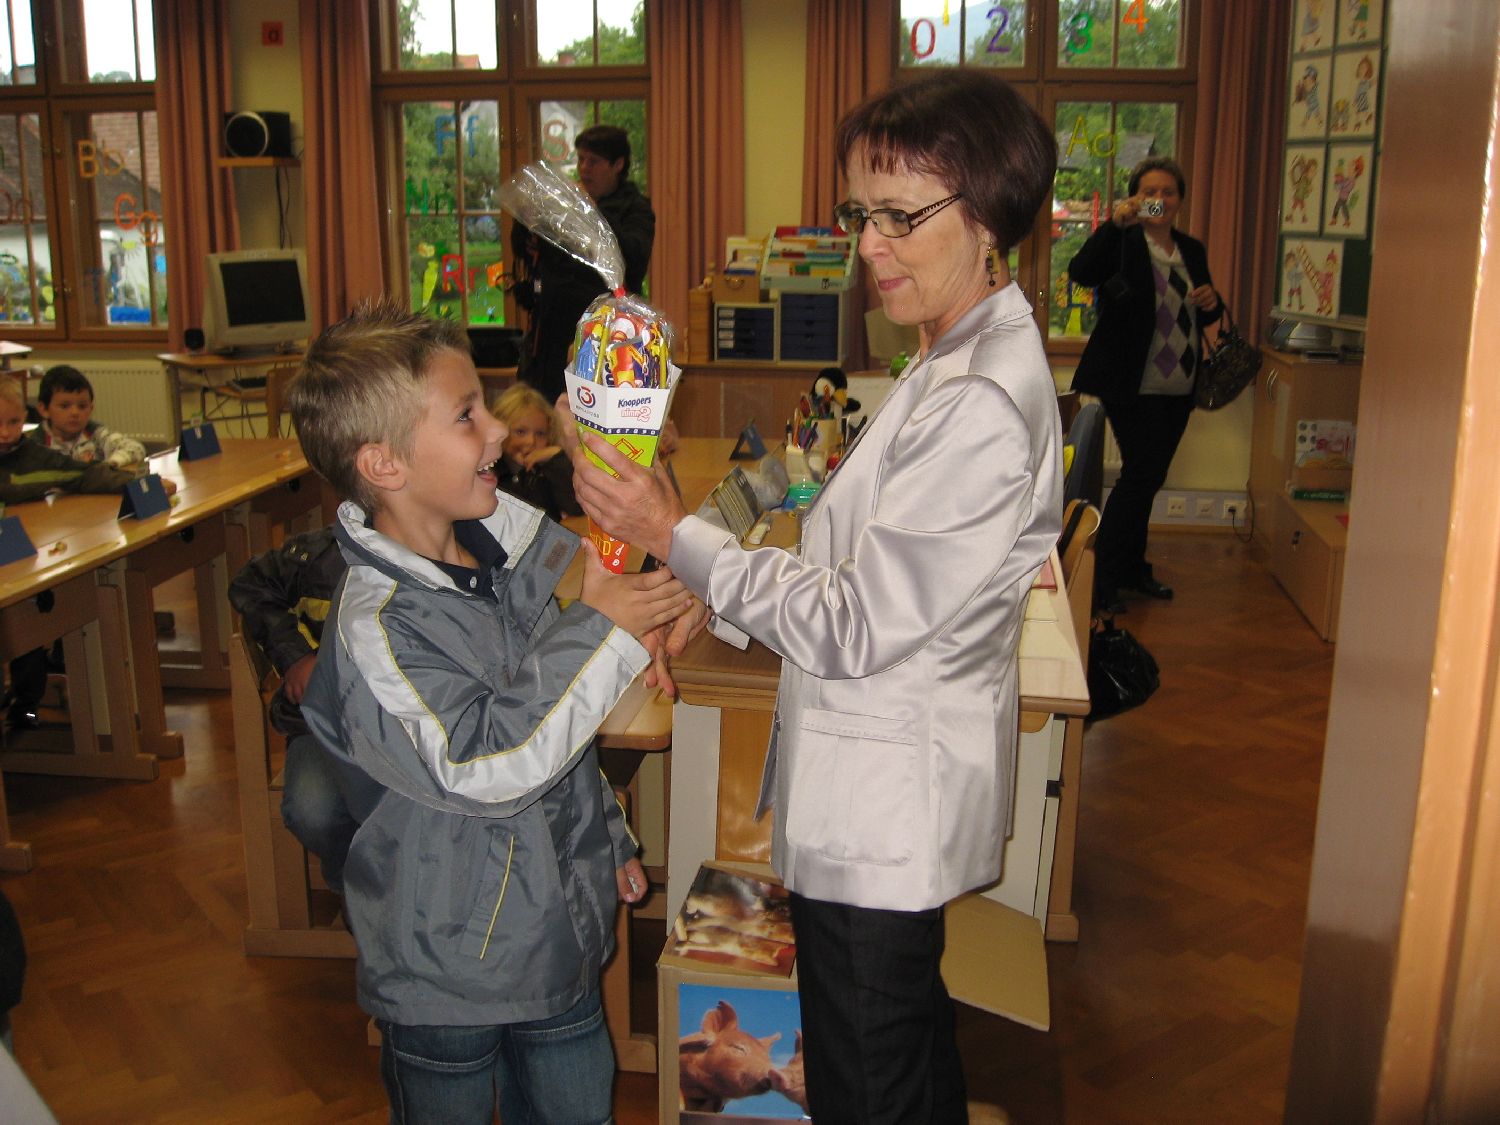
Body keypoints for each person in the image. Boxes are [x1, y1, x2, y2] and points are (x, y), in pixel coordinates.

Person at [568, 70, 1061, 1125]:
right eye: (858, 214)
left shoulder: (978, 398)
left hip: (887, 806)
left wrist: (675, 534)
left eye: (900, 216)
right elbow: (870, 572)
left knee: (866, 1076)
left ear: (988, 215)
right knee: (899, 1045)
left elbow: (854, 620)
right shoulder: (954, 352)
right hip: (885, 790)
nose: (868, 246)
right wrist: (713, 592)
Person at [286, 299, 693, 1125]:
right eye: (467, 415)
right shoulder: (378, 626)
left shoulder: (495, 545)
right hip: (445, 973)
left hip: (552, 936)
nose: (500, 430)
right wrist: (606, 628)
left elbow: (553, 723)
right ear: (385, 464)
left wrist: (606, 835)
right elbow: (485, 763)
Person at [1067, 156, 1223, 613]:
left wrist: (1212, 302)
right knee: (1139, 476)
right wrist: (1114, 225)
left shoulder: (1190, 249)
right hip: (1129, 382)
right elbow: (1081, 271)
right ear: (1135, 197)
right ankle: (1101, 580)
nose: (1158, 200)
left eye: (1167, 192)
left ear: (1179, 201)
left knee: (1149, 478)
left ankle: (1131, 569)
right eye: (1148, 192)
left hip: (1179, 384)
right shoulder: (1124, 240)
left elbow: (1205, 313)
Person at [0, 377, 174, 729]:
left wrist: (142, 485)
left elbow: (85, 476)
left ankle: (26, 704)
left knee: (27, 625)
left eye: (13, 422)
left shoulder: (33, 458)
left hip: (19, 563)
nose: (5, 433)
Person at [228, 529, 383, 894]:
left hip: (416, 729)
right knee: (314, 810)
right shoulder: (319, 557)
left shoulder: (456, 548)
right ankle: (357, 891)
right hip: (325, 724)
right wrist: (295, 657)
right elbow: (250, 585)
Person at [511, 124, 655, 405]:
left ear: (618, 165)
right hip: (551, 335)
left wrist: (591, 211)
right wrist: (528, 223)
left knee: (596, 414)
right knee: (545, 413)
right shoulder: (566, 204)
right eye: (580, 159)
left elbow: (634, 258)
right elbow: (527, 252)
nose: (584, 168)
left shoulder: (635, 208)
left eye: (594, 161)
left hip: (605, 336)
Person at [489, 383, 582, 522]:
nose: (531, 441)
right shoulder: (490, 472)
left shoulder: (548, 469)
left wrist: (556, 458)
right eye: (520, 432)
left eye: (540, 434)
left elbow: (576, 509)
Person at [29, 364, 147, 467]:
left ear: (91, 409)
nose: (75, 413)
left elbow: (136, 448)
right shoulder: (36, 446)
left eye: (82, 406)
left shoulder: (95, 434)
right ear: (44, 409)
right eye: (65, 406)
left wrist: (110, 464)